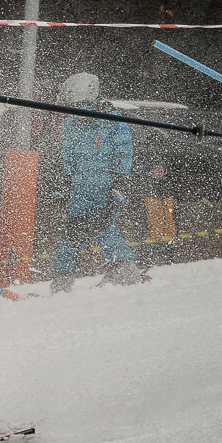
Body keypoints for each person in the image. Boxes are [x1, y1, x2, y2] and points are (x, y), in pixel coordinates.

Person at [49, 72, 145, 293]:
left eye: (80, 107)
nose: (77, 114)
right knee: (73, 229)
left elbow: (124, 153)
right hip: (81, 187)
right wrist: (64, 182)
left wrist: (120, 184)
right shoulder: (71, 125)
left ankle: (124, 267)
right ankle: (62, 276)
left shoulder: (113, 122)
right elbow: (69, 158)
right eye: (72, 108)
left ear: (91, 100)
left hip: (106, 185)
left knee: (102, 224)